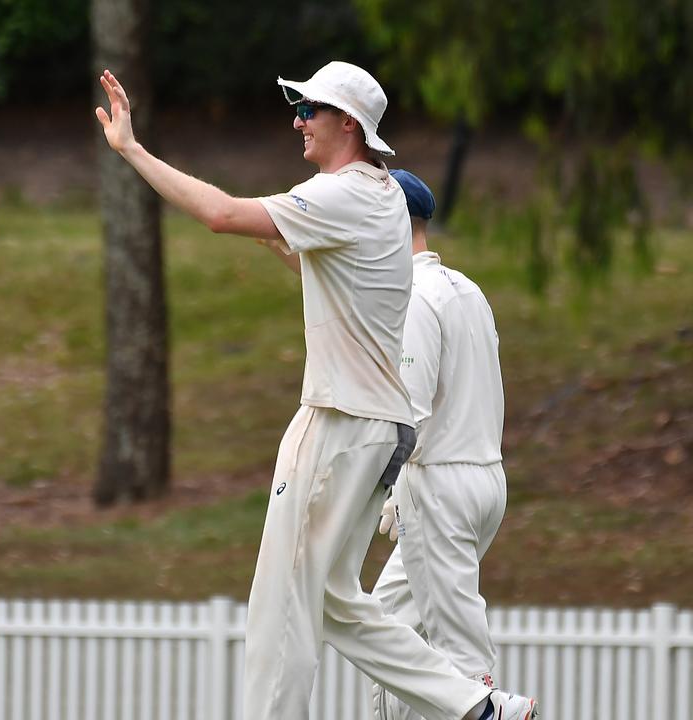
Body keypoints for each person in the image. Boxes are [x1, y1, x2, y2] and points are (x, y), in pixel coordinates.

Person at [95, 62, 538, 720]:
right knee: (334, 598)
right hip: (378, 429)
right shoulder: (385, 197)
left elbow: (220, 216)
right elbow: (317, 261)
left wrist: (132, 150)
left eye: (311, 110)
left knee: (282, 604)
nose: (297, 120)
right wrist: (280, 235)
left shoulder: (348, 194)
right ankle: (476, 705)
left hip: (338, 422)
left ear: (350, 125)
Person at [370, 170, 511, 719]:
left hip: (439, 485)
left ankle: (500, 710)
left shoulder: (415, 298)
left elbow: (407, 416)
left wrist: (376, 491)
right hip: (485, 480)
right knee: (384, 629)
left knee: (460, 656)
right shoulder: (468, 290)